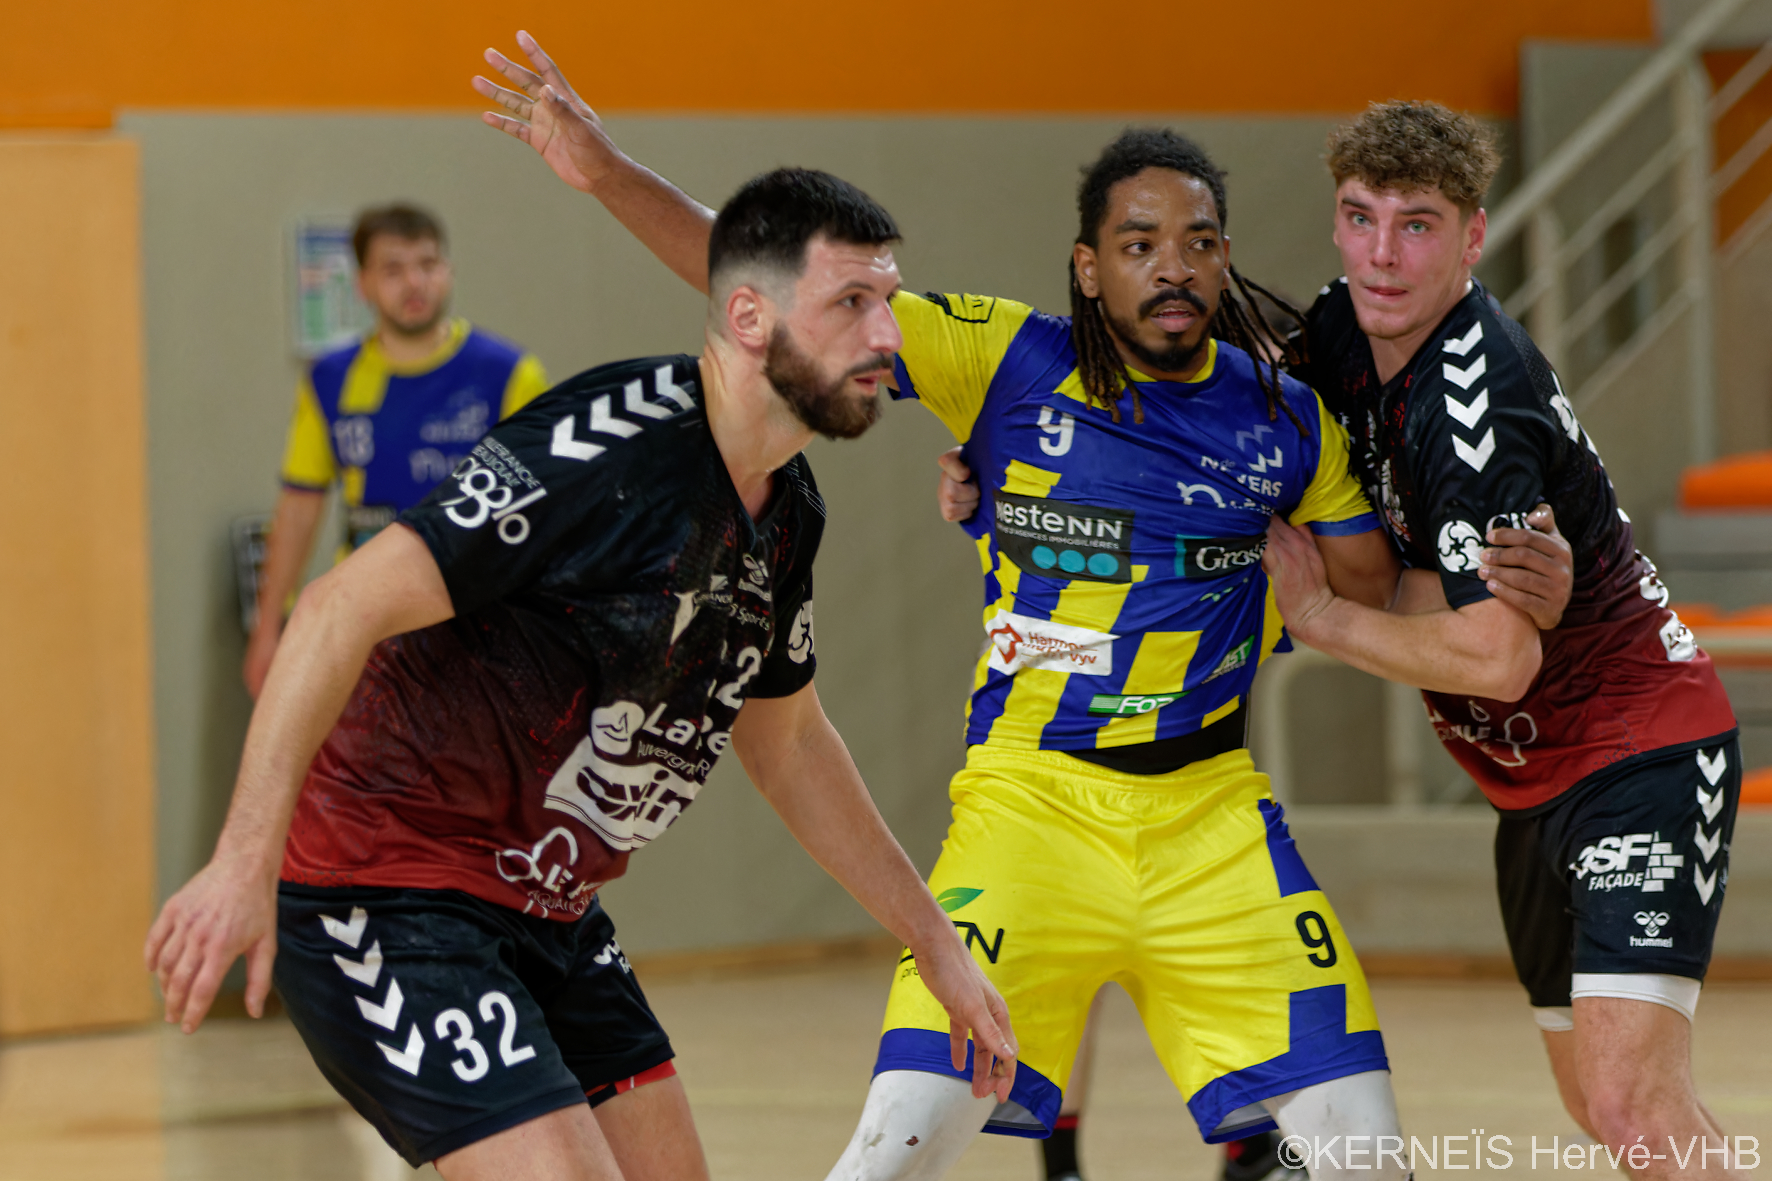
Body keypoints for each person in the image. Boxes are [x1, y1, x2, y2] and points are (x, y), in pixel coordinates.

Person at [470, 34, 1575, 1181]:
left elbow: (1368, 592)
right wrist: (605, 172)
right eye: (1137, 244)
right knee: (890, 1151)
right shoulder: (1000, 355)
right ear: (1087, 268)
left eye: (1198, 242)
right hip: (1025, 810)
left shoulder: (1285, 416)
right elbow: (786, 295)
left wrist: (1501, 582)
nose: (1172, 267)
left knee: (1369, 1160)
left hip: (1210, 819)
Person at [146, 167, 1016, 1180]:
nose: (889, 335)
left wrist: (934, 942)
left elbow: (789, 744)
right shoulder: (608, 446)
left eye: (890, 300)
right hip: (387, 885)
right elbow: (338, 605)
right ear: (748, 316)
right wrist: (242, 859)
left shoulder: (790, 510)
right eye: (853, 302)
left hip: (552, 908)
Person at [1263, 100, 1744, 1177]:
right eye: (1361, 217)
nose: (1383, 254)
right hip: (1525, 783)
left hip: (1637, 752)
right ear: (1336, 222)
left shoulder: (1472, 395)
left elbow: (1499, 657)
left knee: (1630, 1105)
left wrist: (1325, 617)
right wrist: (990, 473)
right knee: (1607, 1107)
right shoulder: (1336, 327)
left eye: (1418, 225)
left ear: (1473, 236)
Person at [243, 203, 551, 698]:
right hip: (370, 625)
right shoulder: (330, 379)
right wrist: (267, 631)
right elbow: (299, 505)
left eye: (427, 264)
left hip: (481, 623)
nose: (414, 283)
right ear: (362, 284)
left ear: (448, 270)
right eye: (393, 269)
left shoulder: (509, 373)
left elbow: (548, 511)